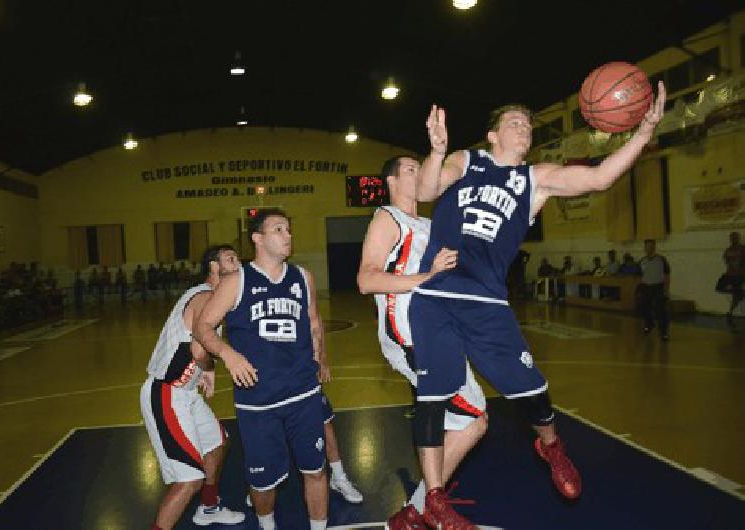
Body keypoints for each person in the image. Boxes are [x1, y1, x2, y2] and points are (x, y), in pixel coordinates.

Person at [408, 83, 666, 527]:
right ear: (493, 134)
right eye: (515, 122)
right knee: (431, 399)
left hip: (487, 301)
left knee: (531, 391)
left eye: (528, 123)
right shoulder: (464, 161)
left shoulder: (534, 179)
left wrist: (644, 131)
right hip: (435, 296)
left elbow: (600, 178)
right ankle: (433, 498)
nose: (524, 128)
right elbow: (429, 191)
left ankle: (550, 444)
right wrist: (435, 151)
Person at [357, 156, 488, 528]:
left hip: (441, 333)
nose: (422, 174)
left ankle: (413, 513)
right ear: (392, 181)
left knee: (475, 422)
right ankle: (430, 503)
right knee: (460, 414)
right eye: (412, 170)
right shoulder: (387, 218)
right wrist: (427, 276)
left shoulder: (431, 225)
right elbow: (367, 279)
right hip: (409, 333)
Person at [193, 209, 329, 530]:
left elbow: (312, 322)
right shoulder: (236, 281)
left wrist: (321, 358)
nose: (287, 235)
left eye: (289, 229)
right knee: (264, 482)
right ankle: (267, 526)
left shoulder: (302, 277)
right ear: (257, 238)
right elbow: (204, 327)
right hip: (259, 402)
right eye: (278, 229)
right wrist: (229, 355)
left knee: (316, 470)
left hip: (303, 393)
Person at [140, 245, 245, 530]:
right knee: (190, 479)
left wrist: (202, 371)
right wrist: (213, 366)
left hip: (184, 393)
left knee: (218, 442)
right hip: (166, 393)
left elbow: (195, 349)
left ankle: (209, 507)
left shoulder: (212, 298)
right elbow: (200, 351)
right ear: (214, 267)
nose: (238, 262)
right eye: (230, 258)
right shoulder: (206, 296)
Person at [639, 239, 671, 340]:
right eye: (647, 246)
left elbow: (667, 275)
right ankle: (650, 324)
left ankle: (663, 332)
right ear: (645, 248)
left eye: (651, 246)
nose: (649, 248)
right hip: (646, 287)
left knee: (659, 310)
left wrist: (666, 290)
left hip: (658, 287)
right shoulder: (641, 261)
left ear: (654, 247)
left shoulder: (661, 260)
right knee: (644, 308)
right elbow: (639, 276)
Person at [717, 231, 744, 322]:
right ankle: (740, 293)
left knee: (735, 295)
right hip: (729, 274)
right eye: (732, 238)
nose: (733, 239)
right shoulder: (728, 249)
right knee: (719, 287)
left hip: (739, 275)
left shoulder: (743, 249)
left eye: (735, 238)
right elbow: (726, 259)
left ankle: (731, 311)